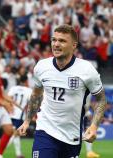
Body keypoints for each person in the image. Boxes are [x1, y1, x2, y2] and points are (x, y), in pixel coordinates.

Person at [18, 24, 107, 158]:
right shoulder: (42, 66)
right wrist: (27, 121)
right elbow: (36, 95)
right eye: (54, 40)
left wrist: (94, 126)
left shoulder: (87, 70)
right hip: (45, 131)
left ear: (74, 45)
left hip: (71, 136)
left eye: (62, 41)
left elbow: (101, 100)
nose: (56, 44)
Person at [7, 75, 32, 158]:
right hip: (19, 115)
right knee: (14, 134)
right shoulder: (29, 90)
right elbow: (31, 103)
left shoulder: (13, 88)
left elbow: (9, 98)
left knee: (15, 134)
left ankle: (18, 154)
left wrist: (10, 108)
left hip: (11, 113)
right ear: (26, 81)